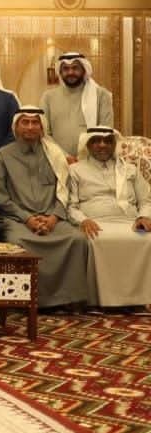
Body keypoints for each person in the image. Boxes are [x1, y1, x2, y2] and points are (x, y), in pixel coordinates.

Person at [0, 106, 91, 310]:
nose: (30, 127)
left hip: (53, 218)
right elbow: (0, 196)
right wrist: (27, 218)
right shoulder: (1, 156)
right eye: (25, 122)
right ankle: (23, 300)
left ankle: (67, 300)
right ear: (16, 127)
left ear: (42, 127)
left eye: (35, 122)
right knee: (17, 243)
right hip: (17, 220)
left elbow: (65, 191)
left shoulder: (55, 155)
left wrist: (54, 217)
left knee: (77, 239)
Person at [67, 126, 151, 308]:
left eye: (107, 141)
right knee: (95, 240)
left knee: (147, 239)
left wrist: (144, 217)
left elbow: (146, 200)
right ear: (88, 144)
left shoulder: (129, 169)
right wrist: (83, 220)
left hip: (130, 222)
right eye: (96, 141)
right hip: (95, 223)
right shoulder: (75, 170)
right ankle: (100, 300)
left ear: (114, 144)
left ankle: (140, 299)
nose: (102, 145)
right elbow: (70, 205)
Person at [42, 52, 115, 158]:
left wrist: (88, 159)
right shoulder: (48, 97)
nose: (70, 72)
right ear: (60, 72)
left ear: (84, 70)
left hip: (93, 160)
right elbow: (44, 133)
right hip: (57, 160)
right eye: (66, 69)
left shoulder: (101, 95)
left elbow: (106, 131)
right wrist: (64, 157)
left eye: (75, 68)